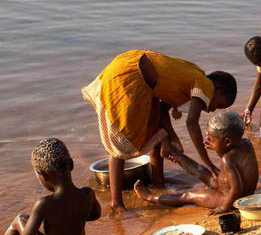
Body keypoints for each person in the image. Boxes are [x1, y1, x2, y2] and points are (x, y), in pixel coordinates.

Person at [81, 50, 237, 211]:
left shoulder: (194, 80)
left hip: (135, 72)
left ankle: (158, 182)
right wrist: (208, 163)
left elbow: (163, 109)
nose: (213, 110)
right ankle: (117, 203)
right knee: (120, 143)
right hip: (128, 75)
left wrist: (172, 138)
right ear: (218, 90)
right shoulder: (205, 85)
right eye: (219, 105)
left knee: (155, 133)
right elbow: (192, 123)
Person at [0, 138, 101, 235]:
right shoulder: (87, 194)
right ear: (71, 165)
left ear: (42, 175)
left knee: (20, 219)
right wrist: (72, 219)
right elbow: (95, 215)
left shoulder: (44, 203)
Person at [134, 111, 258, 215]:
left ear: (227, 142)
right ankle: (173, 153)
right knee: (202, 171)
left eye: (212, 140)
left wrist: (223, 208)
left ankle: (151, 197)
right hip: (241, 194)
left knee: (188, 195)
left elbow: (237, 188)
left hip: (229, 199)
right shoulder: (246, 144)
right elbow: (233, 167)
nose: (209, 142)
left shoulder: (227, 159)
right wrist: (217, 147)